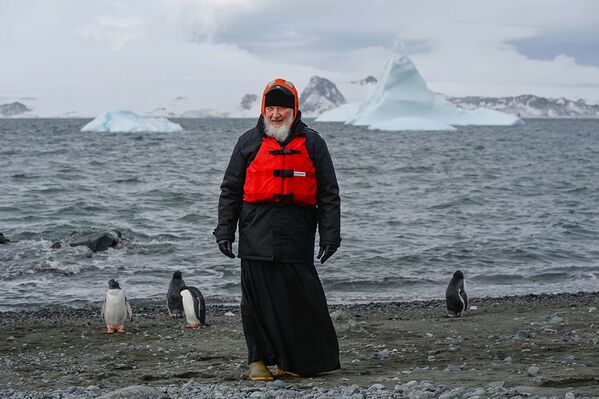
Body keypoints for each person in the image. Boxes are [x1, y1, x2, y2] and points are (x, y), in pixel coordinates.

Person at [214, 78, 341, 380]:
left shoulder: (313, 143)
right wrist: (224, 230)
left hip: (297, 238)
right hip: (256, 236)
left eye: (282, 108)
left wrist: (330, 234)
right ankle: (257, 361)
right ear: (263, 109)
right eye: (270, 107)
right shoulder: (248, 142)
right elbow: (230, 190)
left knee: (301, 301)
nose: (275, 114)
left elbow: (328, 193)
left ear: (294, 110)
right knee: (255, 303)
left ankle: (292, 361)